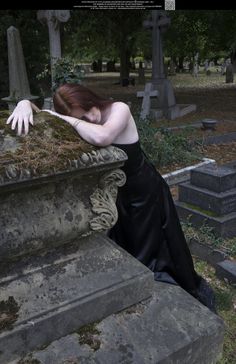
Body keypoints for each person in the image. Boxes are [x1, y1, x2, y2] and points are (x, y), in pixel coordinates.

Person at [6, 83, 216, 312]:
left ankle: (169, 298)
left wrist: (70, 120)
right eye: (80, 117)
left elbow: (103, 137)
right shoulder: (84, 118)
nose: (91, 118)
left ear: (90, 99)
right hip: (118, 194)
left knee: (160, 253)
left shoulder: (119, 109)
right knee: (128, 251)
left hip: (146, 193)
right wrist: (24, 104)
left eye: (88, 111)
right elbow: (46, 117)